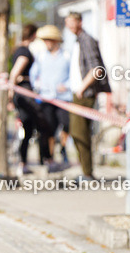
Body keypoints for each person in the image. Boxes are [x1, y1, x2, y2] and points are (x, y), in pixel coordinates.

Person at [64, 12, 111, 181]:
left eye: (71, 22)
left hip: (84, 94)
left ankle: (87, 172)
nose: (68, 26)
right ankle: (85, 170)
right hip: (78, 92)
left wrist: (82, 88)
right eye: (66, 22)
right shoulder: (78, 41)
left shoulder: (86, 40)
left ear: (79, 22)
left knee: (80, 133)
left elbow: (96, 69)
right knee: (77, 133)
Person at [8, 24, 53, 175]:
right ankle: (45, 159)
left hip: (23, 94)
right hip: (24, 95)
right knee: (41, 125)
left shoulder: (18, 49)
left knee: (28, 129)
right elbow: (15, 73)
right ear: (33, 35)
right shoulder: (24, 52)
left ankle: (24, 163)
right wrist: (10, 95)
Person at [29, 25, 73, 173]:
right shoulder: (41, 56)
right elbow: (33, 75)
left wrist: (66, 86)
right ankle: (50, 158)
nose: (47, 43)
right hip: (46, 98)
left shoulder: (67, 56)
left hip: (63, 98)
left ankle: (64, 149)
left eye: (49, 40)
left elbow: (73, 75)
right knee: (48, 128)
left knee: (66, 124)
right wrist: (38, 85)